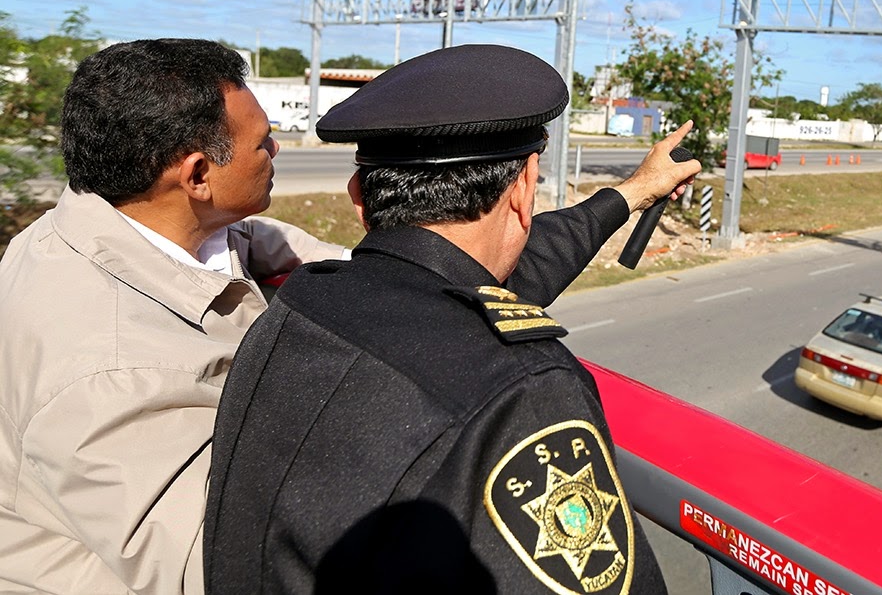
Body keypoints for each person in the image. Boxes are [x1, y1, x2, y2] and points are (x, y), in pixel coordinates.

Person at [0, 39, 696, 595]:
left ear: (361, 196)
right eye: (263, 144)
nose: (277, 152)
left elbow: (429, 279)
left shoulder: (197, 238)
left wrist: (628, 193)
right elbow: (221, 564)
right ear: (195, 174)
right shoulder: (108, 365)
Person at [204, 45, 699, 594]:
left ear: (359, 197)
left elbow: (483, 272)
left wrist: (630, 194)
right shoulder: (524, 390)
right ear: (524, 188)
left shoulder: (303, 301)